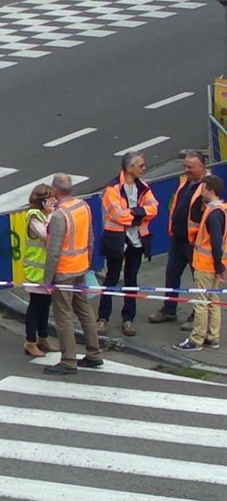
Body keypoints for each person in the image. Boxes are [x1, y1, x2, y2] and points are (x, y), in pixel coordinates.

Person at [42, 174, 104, 375]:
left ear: (54, 190)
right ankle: (94, 353)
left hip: (64, 272)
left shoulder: (59, 216)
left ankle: (68, 360)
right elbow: (90, 237)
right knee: (84, 310)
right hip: (81, 267)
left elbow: (53, 251)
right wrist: (87, 262)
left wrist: (47, 281)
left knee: (64, 317)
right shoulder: (83, 206)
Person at [98, 152, 158, 337]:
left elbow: (154, 209)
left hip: (137, 241)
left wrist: (132, 213)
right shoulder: (113, 188)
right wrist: (140, 214)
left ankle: (128, 319)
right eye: (140, 165)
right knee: (111, 278)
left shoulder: (144, 187)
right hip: (117, 240)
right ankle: (103, 318)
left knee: (132, 280)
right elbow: (117, 215)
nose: (144, 168)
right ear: (129, 168)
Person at [150, 150, 211, 329]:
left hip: (195, 242)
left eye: (190, 167)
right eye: (185, 166)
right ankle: (169, 309)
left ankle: (198, 315)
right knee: (172, 275)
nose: (186, 170)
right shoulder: (185, 182)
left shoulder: (209, 186)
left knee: (198, 280)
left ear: (202, 166)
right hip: (178, 238)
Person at [177, 175, 226, 352]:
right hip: (215, 263)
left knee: (201, 302)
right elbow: (195, 214)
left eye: (203, 190)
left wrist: (219, 266)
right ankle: (212, 337)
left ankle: (196, 339)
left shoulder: (213, 214)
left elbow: (215, 242)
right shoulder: (220, 209)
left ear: (211, 191)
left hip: (206, 264)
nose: (201, 193)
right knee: (213, 300)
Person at [22, 184, 56, 357]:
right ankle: (30, 342)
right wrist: (50, 215)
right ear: (42, 202)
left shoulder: (43, 214)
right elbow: (46, 234)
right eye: (50, 199)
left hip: (46, 270)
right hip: (36, 270)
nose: (54, 202)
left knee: (45, 305)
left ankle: (43, 337)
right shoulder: (33, 215)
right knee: (36, 306)